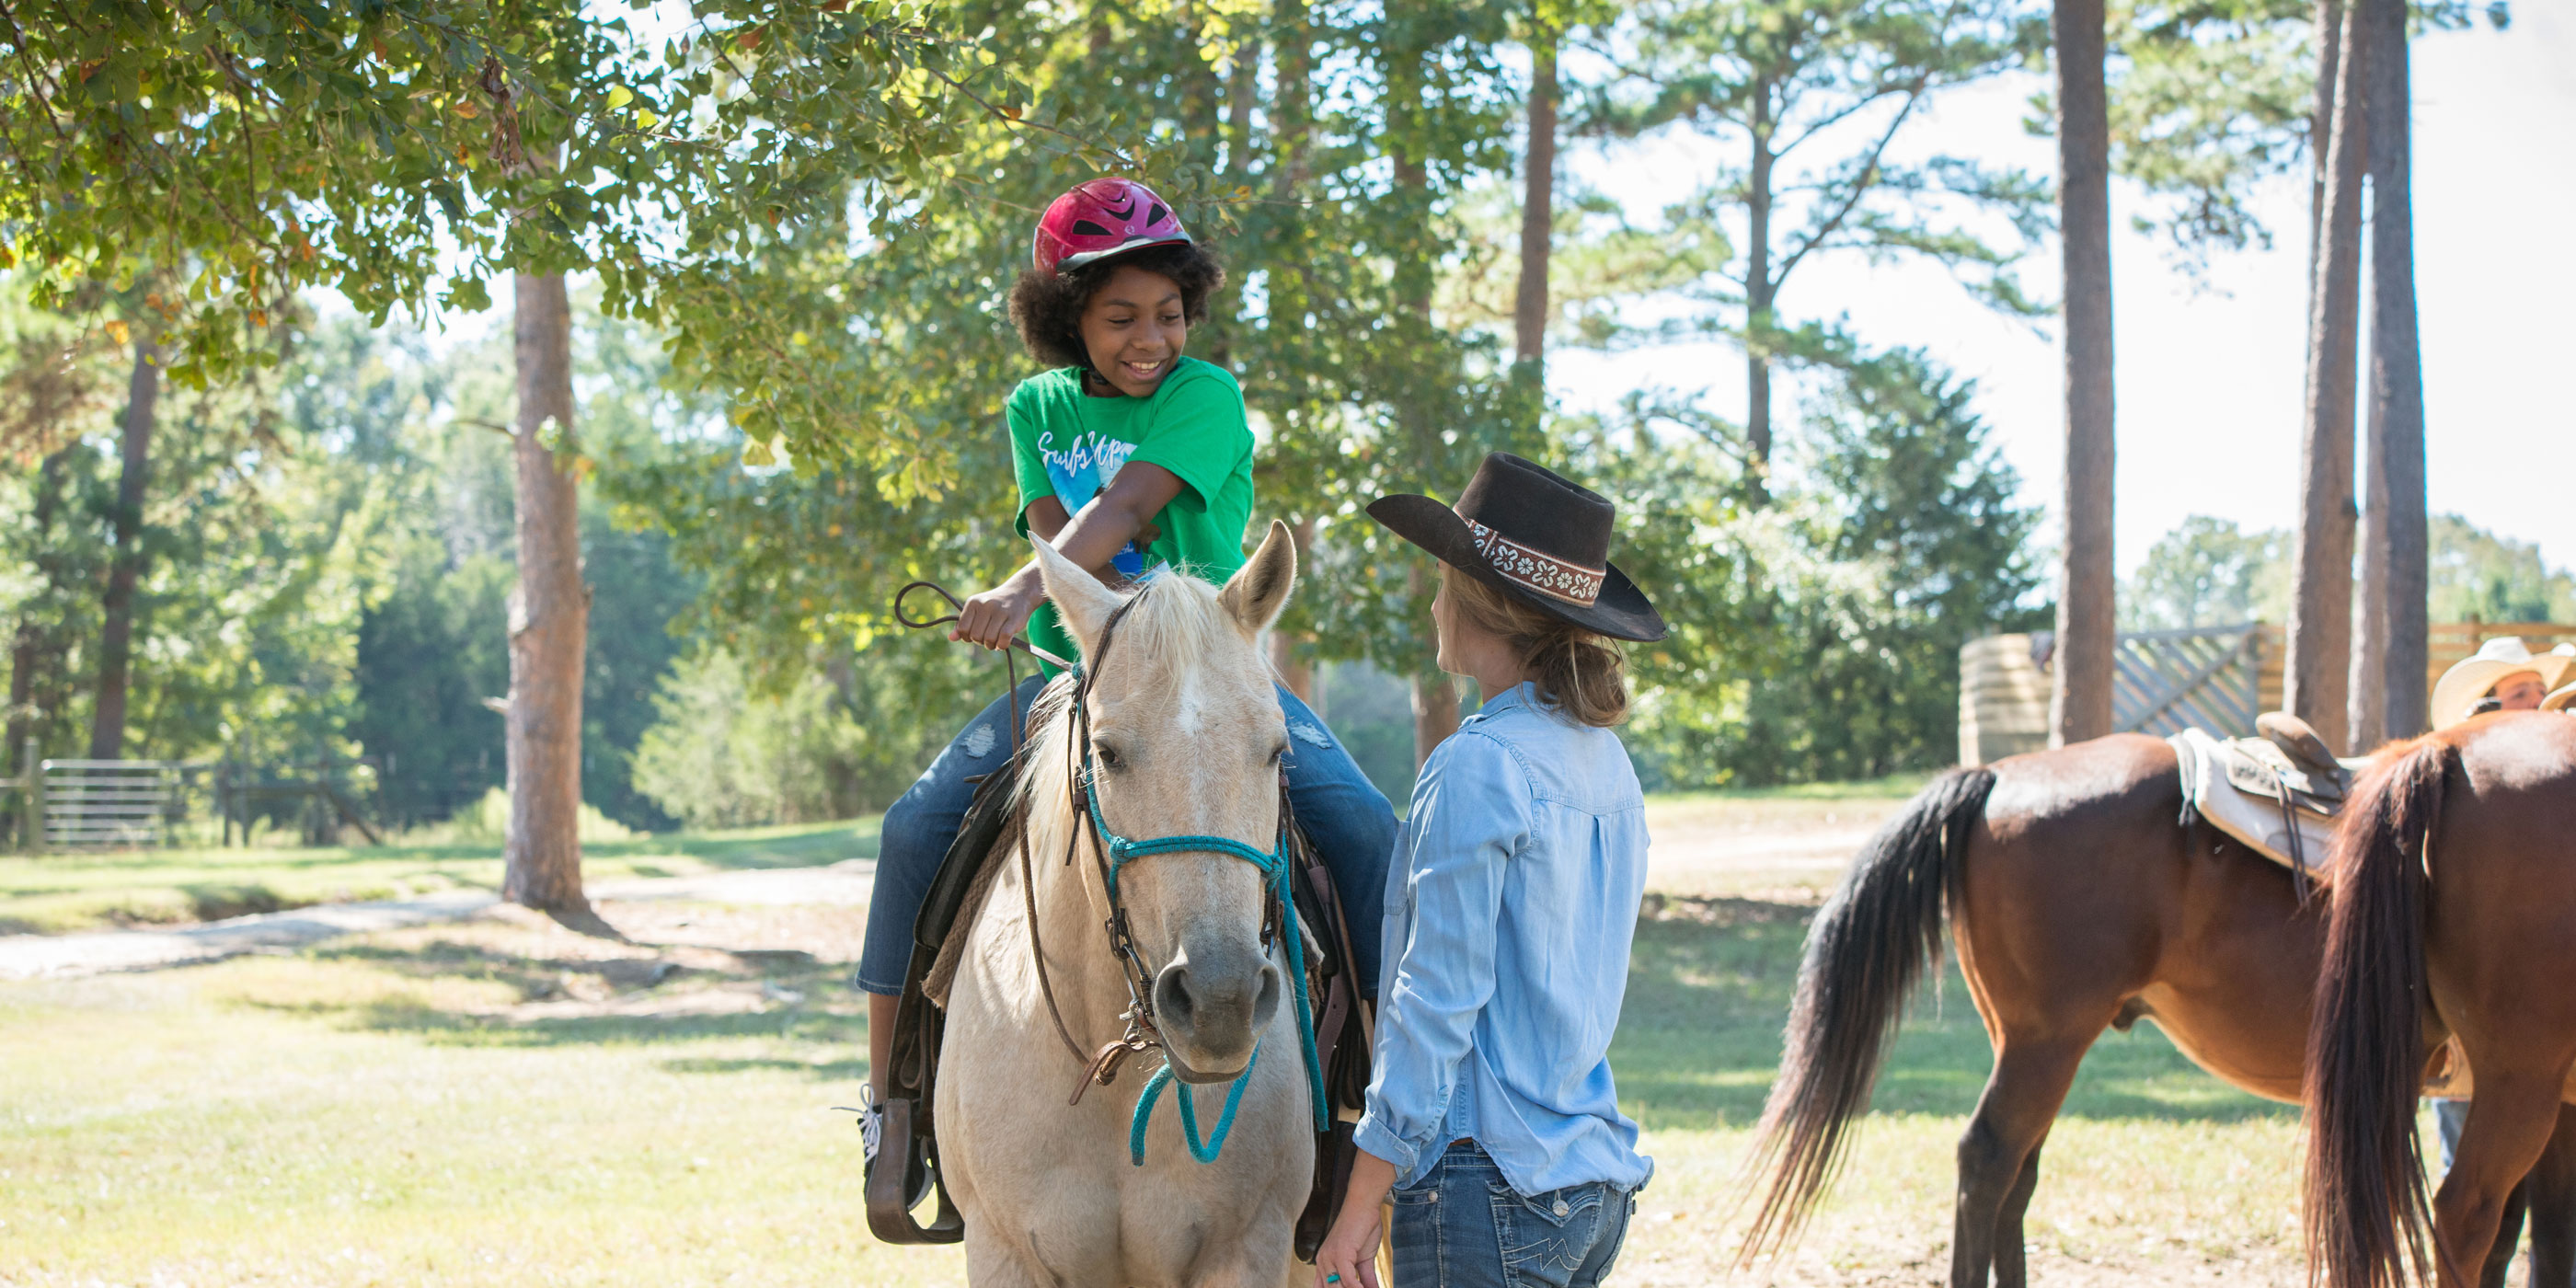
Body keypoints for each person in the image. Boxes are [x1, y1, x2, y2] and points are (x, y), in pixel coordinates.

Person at [855, 178, 1399, 1189]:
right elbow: (1062, 534)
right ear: (1069, 319)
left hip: (1215, 670)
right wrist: (1043, 589)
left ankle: (1381, 1093)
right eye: (1119, 318)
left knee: (1365, 830)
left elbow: (1129, 504)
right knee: (914, 826)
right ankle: (893, 1102)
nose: (1150, 337)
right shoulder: (1036, 407)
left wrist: (1025, 585)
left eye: (1168, 312)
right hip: (1090, 672)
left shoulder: (1205, 395)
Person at [1313, 453, 1667, 1288]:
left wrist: (1366, 1193)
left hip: (1488, 1185)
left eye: (1443, 578)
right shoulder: (1606, 761)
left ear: (1476, 601)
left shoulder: (1478, 764)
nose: (1434, 598)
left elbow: (1437, 998)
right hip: (1587, 1183)